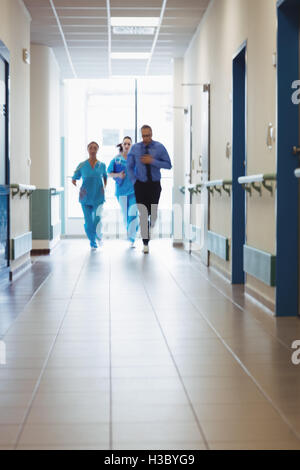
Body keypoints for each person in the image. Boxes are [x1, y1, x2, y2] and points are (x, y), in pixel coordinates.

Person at [127, 125, 172, 254]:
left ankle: (151, 225)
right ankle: (145, 243)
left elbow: (168, 165)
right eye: (144, 135)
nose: (146, 138)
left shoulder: (159, 147)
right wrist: (134, 181)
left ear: (151, 134)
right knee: (143, 214)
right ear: (141, 135)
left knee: (153, 213)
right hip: (140, 185)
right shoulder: (135, 148)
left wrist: (153, 161)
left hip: (154, 185)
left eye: (148, 135)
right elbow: (129, 167)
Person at [72, 141, 107, 250]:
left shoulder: (102, 165)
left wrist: (103, 187)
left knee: (97, 219)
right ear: (87, 150)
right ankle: (92, 242)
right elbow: (74, 178)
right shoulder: (82, 165)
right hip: (85, 198)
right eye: (90, 148)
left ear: (97, 150)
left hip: (98, 197)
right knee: (88, 222)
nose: (93, 150)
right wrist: (77, 184)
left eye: (95, 148)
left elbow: (105, 177)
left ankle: (97, 235)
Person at [107, 136, 139, 248]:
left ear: (131, 146)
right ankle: (130, 235)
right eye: (125, 143)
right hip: (121, 192)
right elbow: (108, 173)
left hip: (134, 192)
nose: (126, 146)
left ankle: (132, 237)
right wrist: (118, 175)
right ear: (122, 145)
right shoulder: (116, 159)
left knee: (133, 214)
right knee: (126, 216)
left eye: (128, 144)